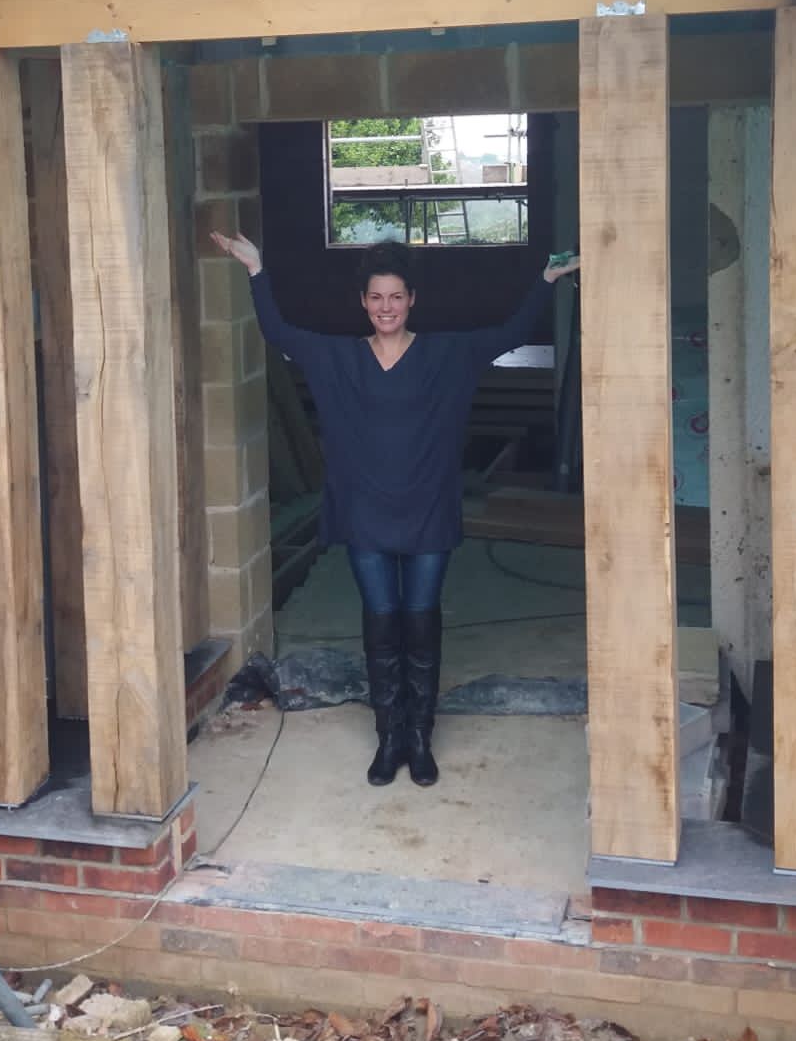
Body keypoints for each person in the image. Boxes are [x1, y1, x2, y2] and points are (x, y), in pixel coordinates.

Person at [211, 231, 582, 791]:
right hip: (366, 513)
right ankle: (390, 738)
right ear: (363, 301)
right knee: (383, 625)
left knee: (420, 622)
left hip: (428, 509)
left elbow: (509, 333)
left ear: (412, 300)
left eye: (396, 297)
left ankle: (421, 738)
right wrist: (257, 270)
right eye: (377, 297)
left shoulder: (445, 354)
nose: (387, 307)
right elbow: (280, 333)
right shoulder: (339, 357)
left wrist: (547, 280)